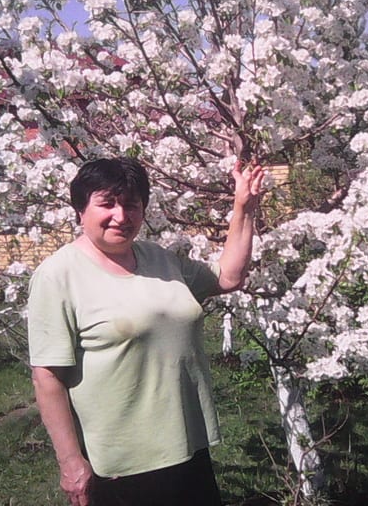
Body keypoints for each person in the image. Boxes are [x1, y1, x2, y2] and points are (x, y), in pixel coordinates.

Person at [28, 157, 264, 506]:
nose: (121, 216)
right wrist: (70, 461)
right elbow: (47, 377)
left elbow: (228, 277)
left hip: (186, 447)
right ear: (80, 210)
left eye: (131, 205)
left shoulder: (159, 259)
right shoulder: (58, 276)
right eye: (107, 204)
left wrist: (244, 207)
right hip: (121, 464)